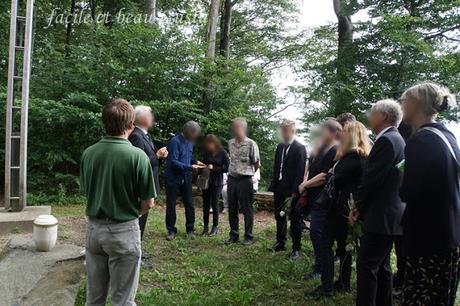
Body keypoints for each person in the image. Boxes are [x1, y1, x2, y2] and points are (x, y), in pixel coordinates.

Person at [80, 98, 157, 306]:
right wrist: (133, 214)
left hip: (94, 231)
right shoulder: (138, 156)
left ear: (104, 123)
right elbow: (149, 203)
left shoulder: (88, 154)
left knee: (94, 298)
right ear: (131, 126)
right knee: (122, 300)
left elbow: (88, 191)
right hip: (124, 231)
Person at [400, 82, 460, 306]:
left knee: (422, 296)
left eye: (405, 101)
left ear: (416, 104)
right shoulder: (447, 136)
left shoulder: (421, 139)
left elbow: (409, 192)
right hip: (448, 236)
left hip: (428, 239)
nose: (402, 106)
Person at [350, 99, 405, 306]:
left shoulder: (386, 141)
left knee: (366, 265)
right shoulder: (398, 139)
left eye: (372, 113)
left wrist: (357, 207)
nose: (368, 117)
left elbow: (371, 180)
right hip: (391, 216)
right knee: (382, 266)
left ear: (383, 116)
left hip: (381, 215)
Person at [309, 121, 370, 298]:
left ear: (351, 135)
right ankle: (343, 283)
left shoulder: (352, 157)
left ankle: (326, 286)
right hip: (347, 209)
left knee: (326, 244)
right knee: (344, 248)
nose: (340, 135)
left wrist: (332, 171)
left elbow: (334, 178)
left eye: (344, 132)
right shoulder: (362, 156)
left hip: (339, 209)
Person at [298, 119, 341, 276]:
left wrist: (305, 185)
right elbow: (311, 168)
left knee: (318, 232)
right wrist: (306, 183)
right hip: (315, 196)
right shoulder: (322, 149)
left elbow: (324, 176)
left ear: (333, 132)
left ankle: (321, 268)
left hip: (326, 200)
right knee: (316, 232)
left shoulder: (335, 150)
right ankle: (319, 264)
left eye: (324, 130)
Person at [128, 106, 168, 266]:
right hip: (142, 185)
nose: (152, 117)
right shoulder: (136, 137)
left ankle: (137, 251)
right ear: (142, 118)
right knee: (138, 220)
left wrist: (161, 157)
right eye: (150, 115)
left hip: (149, 182)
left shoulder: (146, 135)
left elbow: (151, 159)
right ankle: (133, 255)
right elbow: (139, 163)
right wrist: (156, 155)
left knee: (142, 220)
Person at [268, 119, 307, 259]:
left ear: (292, 130)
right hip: (279, 186)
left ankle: (296, 248)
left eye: (285, 130)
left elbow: (300, 171)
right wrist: (274, 182)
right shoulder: (280, 147)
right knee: (279, 215)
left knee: (294, 218)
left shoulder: (300, 148)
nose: (283, 133)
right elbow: (276, 167)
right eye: (282, 130)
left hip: (292, 189)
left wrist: (295, 191)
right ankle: (280, 242)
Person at [164, 121, 205, 240]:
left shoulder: (190, 142)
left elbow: (187, 157)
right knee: (171, 204)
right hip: (172, 177)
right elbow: (174, 161)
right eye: (195, 134)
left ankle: (190, 229)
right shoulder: (174, 141)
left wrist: (195, 162)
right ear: (188, 131)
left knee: (189, 203)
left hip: (185, 177)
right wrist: (190, 167)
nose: (195, 137)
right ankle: (171, 230)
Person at [226, 117, 261, 246]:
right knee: (232, 208)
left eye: (237, 127)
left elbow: (257, 163)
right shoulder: (230, 143)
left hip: (245, 180)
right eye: (234, 127)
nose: (235, 130)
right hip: (232, 179)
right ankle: (234, 235)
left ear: (243, 128)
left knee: (247, 208)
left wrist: (248, 173)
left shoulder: (251, 143)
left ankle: (248, 236)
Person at [201, 134, 230, 236]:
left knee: (215, 204)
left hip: (217, 182)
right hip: (206, 181)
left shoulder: (223, 153)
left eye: (210, 144)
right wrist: (201, 166)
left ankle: (215, 227)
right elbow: (203, 163)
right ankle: (205, 227)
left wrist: (214, 168)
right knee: (205, 205)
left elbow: (227, 168)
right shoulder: (206, 152)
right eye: (207, 144)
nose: (209, 146)